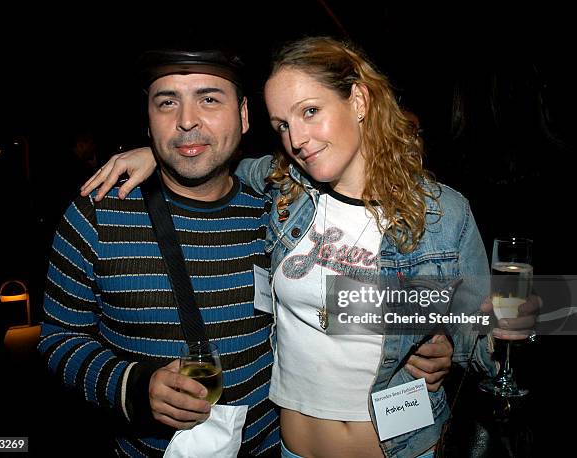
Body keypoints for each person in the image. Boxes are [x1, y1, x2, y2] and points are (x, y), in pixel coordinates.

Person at [79, 37, 511, 458]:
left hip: (405, 447)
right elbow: (211, 157)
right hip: (293, 448)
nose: (297, 139)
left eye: (310, 111)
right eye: (283, 125)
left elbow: (487, 328)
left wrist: (450, 343)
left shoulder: (443, 212)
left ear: (358, 101)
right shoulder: (286, 191)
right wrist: (159, 153)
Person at [39, 46, 282, 457]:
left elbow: (328, 305)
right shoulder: (96, 214)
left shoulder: (275, 215)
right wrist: (131, 386)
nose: (186, 120)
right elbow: (59, 338)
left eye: (209, 99)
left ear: (243, 115)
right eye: (167, 102)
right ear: (148, 122)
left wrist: (418, 339)